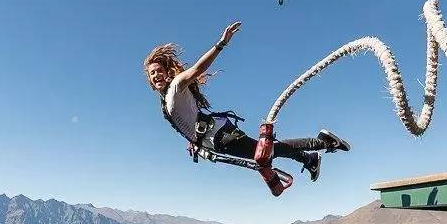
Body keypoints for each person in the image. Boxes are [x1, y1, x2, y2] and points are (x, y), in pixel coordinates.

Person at [143, 22, 350, 182]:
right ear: (149, 79)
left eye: (159, 71)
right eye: (152, 73)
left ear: (167, 73)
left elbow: (198, 69)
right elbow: (187, 118)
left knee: (266, 153)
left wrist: (220, 44)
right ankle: (309, 158)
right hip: (214, 138)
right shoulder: (166, 100)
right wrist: (193, 140)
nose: (156, 75)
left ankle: (323, 144)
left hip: (220, 136)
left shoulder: (177, 85)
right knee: (265, 153)